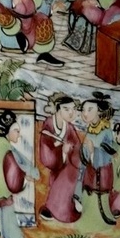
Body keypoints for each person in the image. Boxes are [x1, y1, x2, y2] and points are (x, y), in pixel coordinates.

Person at [0, 109, 37, 238]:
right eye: (16, 131)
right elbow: (14, 167)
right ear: (9, 131)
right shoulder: (5, 146)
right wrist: (26, 176)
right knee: (7, 214)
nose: (19, 135)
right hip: (2, 187)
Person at [37, 93, 83, 223]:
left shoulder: (69, 127)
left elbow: (77, 146)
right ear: (58, 108)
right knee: (62, 176)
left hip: (68, 164)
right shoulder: (48, 124)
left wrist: (70, 151)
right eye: (66, 109)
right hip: (56, 161)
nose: (71, 113)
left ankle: (56, 208)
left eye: (73, 109)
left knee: (69, 174)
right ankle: (57, 208)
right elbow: (46, 148)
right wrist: (61, 151)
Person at [81, 92, 118, 226]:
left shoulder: (106, 130)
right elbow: (86, 146)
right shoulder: (90, 129)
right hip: (92, 165)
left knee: (102, 193)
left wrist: (94, 148)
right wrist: (88, 151)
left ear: (99, 112)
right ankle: (88, 217)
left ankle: (103, 218)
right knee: (88, 190)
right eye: (83, 110)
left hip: (103, 166)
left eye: (89, 109)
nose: (85, 113)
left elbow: (107, 146)